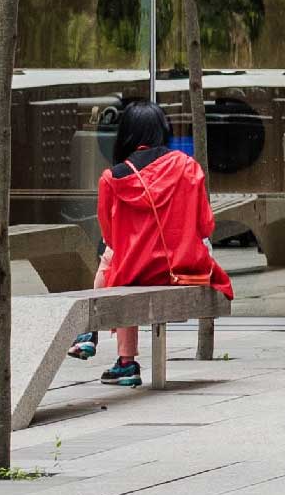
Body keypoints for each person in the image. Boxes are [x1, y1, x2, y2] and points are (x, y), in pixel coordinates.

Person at [76, 100, 233, 389]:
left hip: (136, 273)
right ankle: (110, 351)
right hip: (185, 268)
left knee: (114, 265)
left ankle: (109, 349)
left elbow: (111, 237)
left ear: (126, 134)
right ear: (163, 130)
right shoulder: (188, 167)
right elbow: (206, 225)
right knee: (121, 269)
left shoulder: (113, 178)